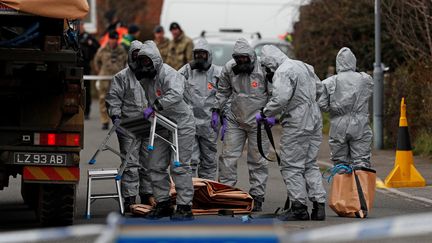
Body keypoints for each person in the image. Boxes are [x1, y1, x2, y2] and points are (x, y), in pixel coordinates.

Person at [256, 45, 326, 221]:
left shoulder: (283, 71)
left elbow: (280, 98)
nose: (268, 72)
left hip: (298, 120)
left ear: (270, 62)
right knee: (310, 163)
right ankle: (319, 206)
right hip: (315, 116)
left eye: (267, 67)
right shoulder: (304, 66)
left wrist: (265, 112)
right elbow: (319, 89)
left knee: (291, 165)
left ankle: (299, 207)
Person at [136, 40, 196, 220]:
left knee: (180, 165)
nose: (145, 65)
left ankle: (185, 206)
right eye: (142, 62)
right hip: (161, 123)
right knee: (154, 164)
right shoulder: (146, 79)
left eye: (148, 61)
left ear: (155, 60)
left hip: (181, 123)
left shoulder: (170, 74)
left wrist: (155, 105)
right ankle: (163, 202)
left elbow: (175, 95)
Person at [211, 38, 270, 212]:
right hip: (235, 119)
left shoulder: (264, 69)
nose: (241, 61)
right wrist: (216, 109)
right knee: (228, 157)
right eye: (239, 58)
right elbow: (223, 91)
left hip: (258, 120)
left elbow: (275, 94)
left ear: (251, 56)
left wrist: (271, 115)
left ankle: (257, 196)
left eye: (245, 58)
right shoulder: (230, 68)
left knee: (258, 160)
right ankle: (226, 193)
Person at [105, 40, 154, 211]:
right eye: (135, 55)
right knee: (130, 163)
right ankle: (130, 198)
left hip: (149, 125)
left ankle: (147, 195)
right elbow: (113, 98)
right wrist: (116, 116)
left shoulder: (151, 75)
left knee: (148, 163)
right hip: (128, 126)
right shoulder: (121, 77)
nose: (138, 59)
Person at [318, 47, 373, 169]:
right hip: (360, 123)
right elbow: (369, 92)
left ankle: (342, 187)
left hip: (338, 124)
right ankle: (361, 186)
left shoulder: (329, 82)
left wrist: (333, 109)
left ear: (338, 63)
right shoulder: (364, 79)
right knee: (362, 161)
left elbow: (322, 105)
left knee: (340, 163)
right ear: (353, 61)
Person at [178, 38, 222, 180]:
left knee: (209, 160)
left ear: (209, 55)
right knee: (191, 160)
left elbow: (225, 95)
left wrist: (223, 116)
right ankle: (190, 191)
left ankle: (207, 190)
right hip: (190, 122)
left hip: (210, 124)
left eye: (203, 54)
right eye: (197, 54)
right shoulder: (187, 70)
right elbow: (173, 85)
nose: (199, 57)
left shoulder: (217, 73)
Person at [94, 30, 127, 130]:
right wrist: (100, 71)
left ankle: (118, 120)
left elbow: (126, 62)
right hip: (105, 78)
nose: (114, 41)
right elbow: (96, 61)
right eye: (112, 39)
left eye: (116, 39)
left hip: (117, 79)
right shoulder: (103, 50)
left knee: (119, 100)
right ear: (110, 39)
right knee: (103, 99)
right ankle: (104, 121)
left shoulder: (122, 50)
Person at [78, 22, 100, 120]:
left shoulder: (88, 37)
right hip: (75, 65)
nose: (80, 28)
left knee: (86, 89)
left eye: (81, 26)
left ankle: (86, 111)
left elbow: (97, 46)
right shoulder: (73, 36)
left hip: (85, 66)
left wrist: (89, 44)